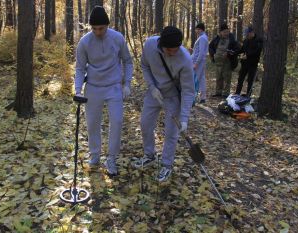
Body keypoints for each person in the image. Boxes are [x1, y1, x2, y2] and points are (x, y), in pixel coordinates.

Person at [74, 6, 133, 176]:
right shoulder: (85, 42)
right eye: (94, 28)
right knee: (92, 123)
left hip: (114, 86)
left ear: (107, 25)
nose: (98, 32)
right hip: (93, 87)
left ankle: (112, 159)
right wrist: (78, 90)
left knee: (117, 121)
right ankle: (95, 156)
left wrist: (127, 83)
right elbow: (79, 68)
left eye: (101, 28)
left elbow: (127, 61)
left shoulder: (117, 38)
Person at [132, 26, 195, 182]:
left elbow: (188, 90)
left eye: (175, 50)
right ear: (161, 45)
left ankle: (167, 165)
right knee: (145, 124)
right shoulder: (150, 45)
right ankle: (149, 155)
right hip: (154, 93)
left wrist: (184, 118)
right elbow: (145, 66)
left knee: (171, 132)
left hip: (173, 96)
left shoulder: (185, 59)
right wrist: (152, 87)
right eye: (169, 50)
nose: (173, 53)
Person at [209, 23, 240, 98]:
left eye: (227, 31)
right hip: (218, 62)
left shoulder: (232, 39)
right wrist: (214, 54)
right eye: (224, 32)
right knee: (219, 78)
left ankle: (226, 93)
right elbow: (210, 46)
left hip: (227, 62)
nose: (226, 33)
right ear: (220, 32)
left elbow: (237, 49)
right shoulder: (216, 38)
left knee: (227, 78)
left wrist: (229, 53)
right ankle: (218, 92)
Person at [235, 25, 263, 97]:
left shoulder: (258, 40)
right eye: (245, 35)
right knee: (240, 79)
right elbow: (242, 50)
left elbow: (257, 51)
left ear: (251, 33)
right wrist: (235, 52)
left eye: (247, 34)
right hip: (244, 64)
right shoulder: (246, 40)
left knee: (250, 81)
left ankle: (248, 96)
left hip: (253, 64)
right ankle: (237, 94)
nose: (246, 36)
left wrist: (247, 55)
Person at [191, 23, 208, 104]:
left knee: (196, 79)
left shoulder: (202, 38)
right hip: (199, 61)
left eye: (198, 29)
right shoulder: (202, 37)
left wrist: (196, 63)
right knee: (201, 79)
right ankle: (203, 97)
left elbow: (201, 53)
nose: (196, 31)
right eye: (196, 29)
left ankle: (193, 99)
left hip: (198, 62)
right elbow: (198, 51)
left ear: (201, 29)